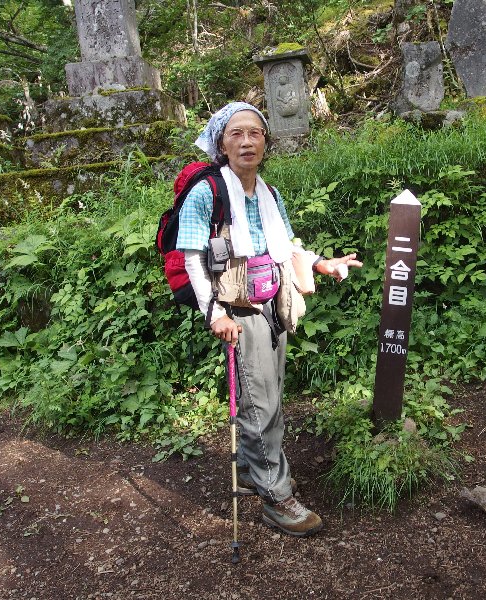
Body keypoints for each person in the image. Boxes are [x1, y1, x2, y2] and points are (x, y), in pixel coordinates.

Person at [177, 102, 362, 537]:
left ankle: (252, 467)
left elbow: (285, 245)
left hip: (273, 303)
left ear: (265, 142)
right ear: (221, 144)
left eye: (255, 133)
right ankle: (276, 498)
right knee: (261, 405)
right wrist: (214, 313)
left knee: (270, 396)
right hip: (237, 310)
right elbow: (192, 259)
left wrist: (319, 263)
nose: (247, 141)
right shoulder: (207, 193)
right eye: (236, 133)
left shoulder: (268, 193)